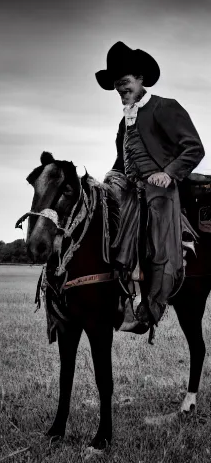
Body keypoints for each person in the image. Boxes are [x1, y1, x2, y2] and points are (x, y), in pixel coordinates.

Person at [96, 41, 205, 334]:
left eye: (125, 82)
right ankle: (122, 302)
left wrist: (168, 174)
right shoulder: (125, 120)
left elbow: (194, 148)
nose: (120, 89)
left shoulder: (165, 107)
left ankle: (152, 303)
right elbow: (123, 159)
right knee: (106, 226)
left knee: (157, 243)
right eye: (117, 86)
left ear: (140, 79)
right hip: (132, 189)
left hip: (162, 191)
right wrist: (109, 179)